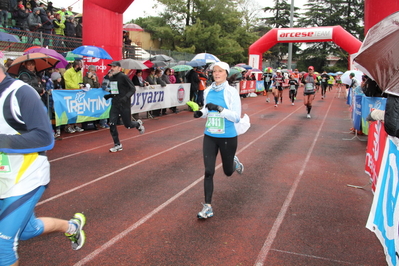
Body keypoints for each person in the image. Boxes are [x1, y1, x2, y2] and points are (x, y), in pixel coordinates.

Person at [0, 63, 86, 266]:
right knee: (27, 230)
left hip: (26, 177)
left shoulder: (20, 93)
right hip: (3, 177)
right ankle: (72, 227)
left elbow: (45, 138)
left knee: (2, 246)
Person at [192, 62, 244, 219]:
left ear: (226, 73)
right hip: (210, 135)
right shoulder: (208, 90)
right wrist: (200, 113)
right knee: (208, 171)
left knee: (228, 172)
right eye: (214, 71)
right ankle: (207, 206)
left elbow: (236, 116)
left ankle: (234, 163)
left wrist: (220, 109)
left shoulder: (231, 92)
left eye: (220, 71)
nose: (216, 73)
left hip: (227, 136)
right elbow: (206, 110)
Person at [103, 61, 145, 152]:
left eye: (114, 67)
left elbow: (132, 88)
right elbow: (116, 91)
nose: (112, 68)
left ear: (119, 68)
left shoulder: (123, 77)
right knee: (112, 124)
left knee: (128, 125)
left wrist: (125, 98)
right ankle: (117, 144)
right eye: (111, 66)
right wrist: (109, 95)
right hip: (115, 104)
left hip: (124, 104)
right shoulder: (112, 78)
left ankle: (137, 124)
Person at [63, 60, 84, 133]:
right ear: (76, 65)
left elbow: (81, 81)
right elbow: (68, 83)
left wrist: (82, 85)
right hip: (70, 93)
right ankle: (69, 126)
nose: (81, 67)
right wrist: (78, 86)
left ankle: (76, 125)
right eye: (80, 65)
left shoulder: (79, 72)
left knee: (77, 110)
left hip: (78, 94)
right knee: (70, 110)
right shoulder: (68, 72)